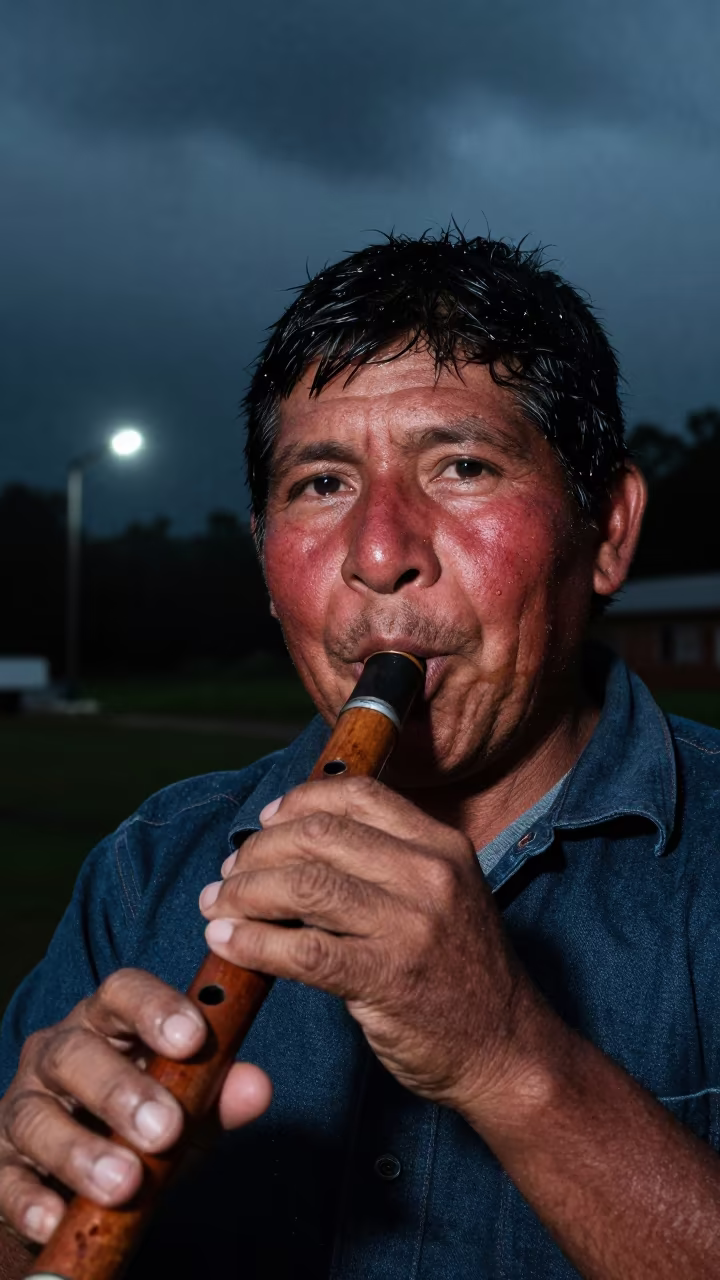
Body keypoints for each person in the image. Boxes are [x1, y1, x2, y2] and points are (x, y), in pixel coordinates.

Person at [1, 229, 720, 1280]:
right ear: (262, 553)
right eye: (322, 482)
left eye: (463, 465)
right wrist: (28, 1225)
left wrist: (511, 1055)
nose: (380, 551)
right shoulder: (144, 871)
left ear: (607, 529)